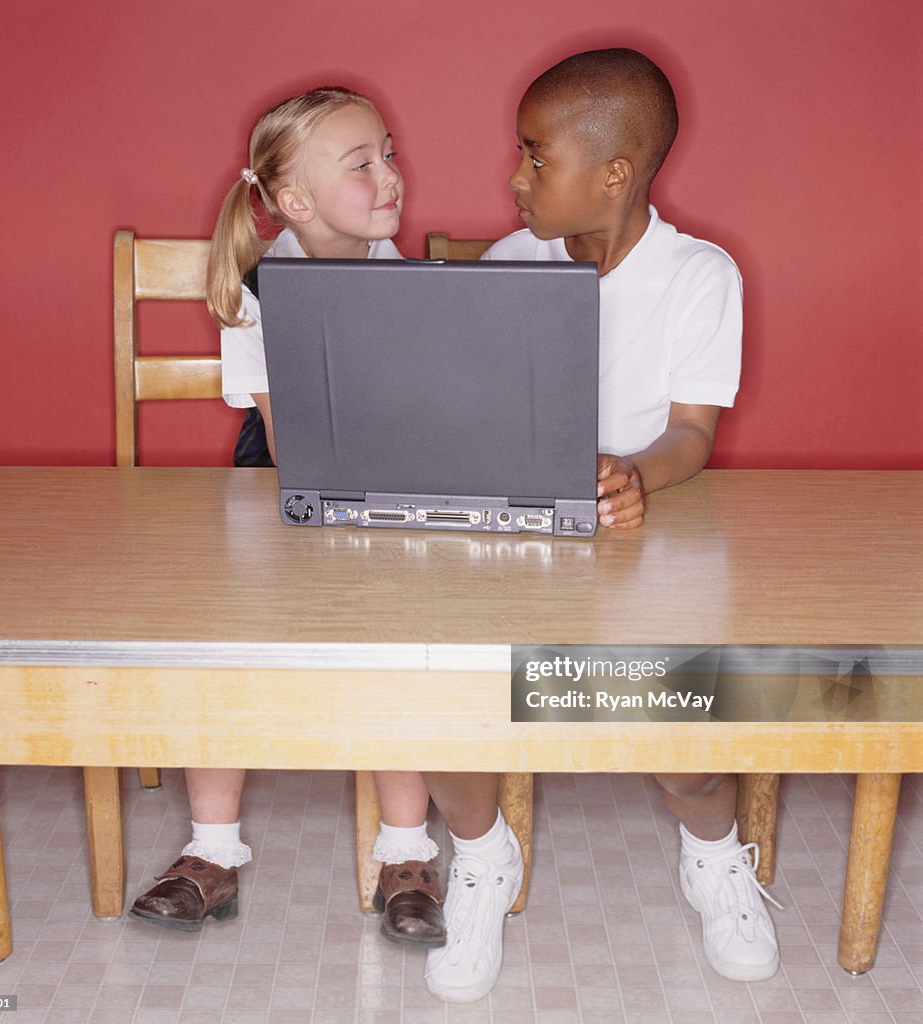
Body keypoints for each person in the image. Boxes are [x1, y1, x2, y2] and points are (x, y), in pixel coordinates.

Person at [129, 89, 522, 1003]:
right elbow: (293, 440)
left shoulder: (412, 280)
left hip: (390, 502)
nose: (392, 177)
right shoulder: (258, 294)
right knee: (219, 634)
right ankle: (211, 847)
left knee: (400, 633)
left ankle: (406, 852)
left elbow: (438, 417)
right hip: (283, 490)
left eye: (391, 153)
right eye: (363, 164)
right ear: (294, 201)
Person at [468, 48, 780, 989]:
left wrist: (633, 478)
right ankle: (483, 854)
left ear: (611, 174)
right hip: (521, 541)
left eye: (534, 158)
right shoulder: (508, 264)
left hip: (641, 539)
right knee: (443, 688)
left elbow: (691, 433)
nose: (512, 179)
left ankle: (714, 852)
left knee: (677, 725)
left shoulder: (700, 275)